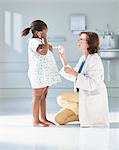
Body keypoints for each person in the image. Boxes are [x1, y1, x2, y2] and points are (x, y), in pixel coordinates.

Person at [55, 32, 109, 127]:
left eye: (81, 39)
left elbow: (92, 84)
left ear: (89, 43)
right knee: (59, 119)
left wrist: (74, 73)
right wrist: (62, 56)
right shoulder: (83, 58)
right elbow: (72, 75)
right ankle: (81, 114)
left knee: (61, 99)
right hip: (81, 95)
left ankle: (82, 112)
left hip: (90, 96)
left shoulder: (95, 60)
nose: (79, 41)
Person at [21, 20, 61, 127]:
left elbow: (47, 51)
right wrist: (45, 40)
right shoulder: (34, 41)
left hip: (44, 74)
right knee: (37, 96)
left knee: (44, 95)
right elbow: (43, 52)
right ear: (38, 33)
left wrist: (48, 45)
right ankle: (35, 120)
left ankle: (43, 118)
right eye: (45, 33)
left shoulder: (40, 42)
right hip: (37, 73)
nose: (46, 35)